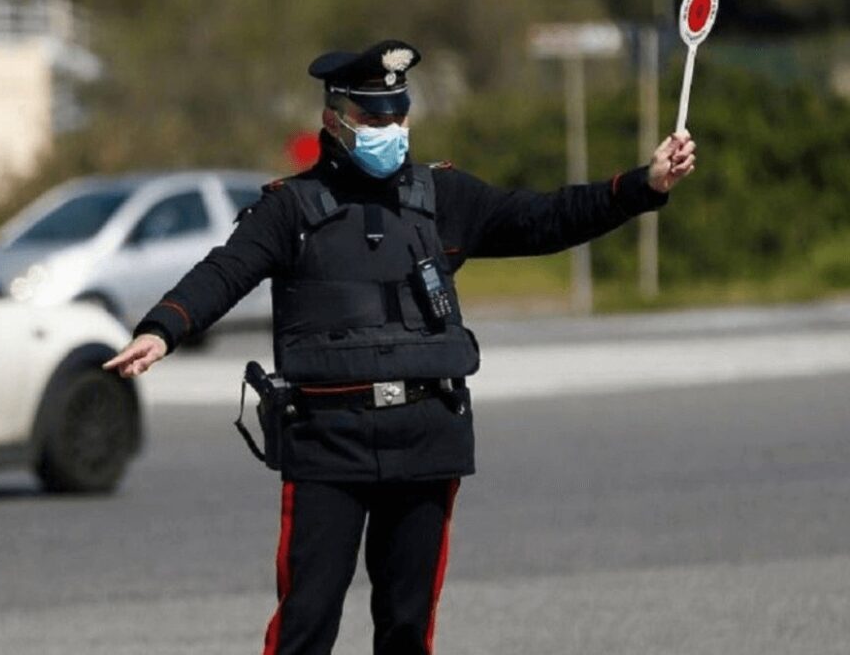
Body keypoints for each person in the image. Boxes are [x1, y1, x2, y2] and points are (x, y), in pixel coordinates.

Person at [103, 39, 695, 655]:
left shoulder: (443, 197)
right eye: (374, 117)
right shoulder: (290, 207)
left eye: (400, 114)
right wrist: (162, 327)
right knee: (307, 622)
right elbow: (224, 271)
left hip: (426, 436)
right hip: (329, 444)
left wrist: (644, 185)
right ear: (335, 119)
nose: (391, 128)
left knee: (408, 627)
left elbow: (546, 217)